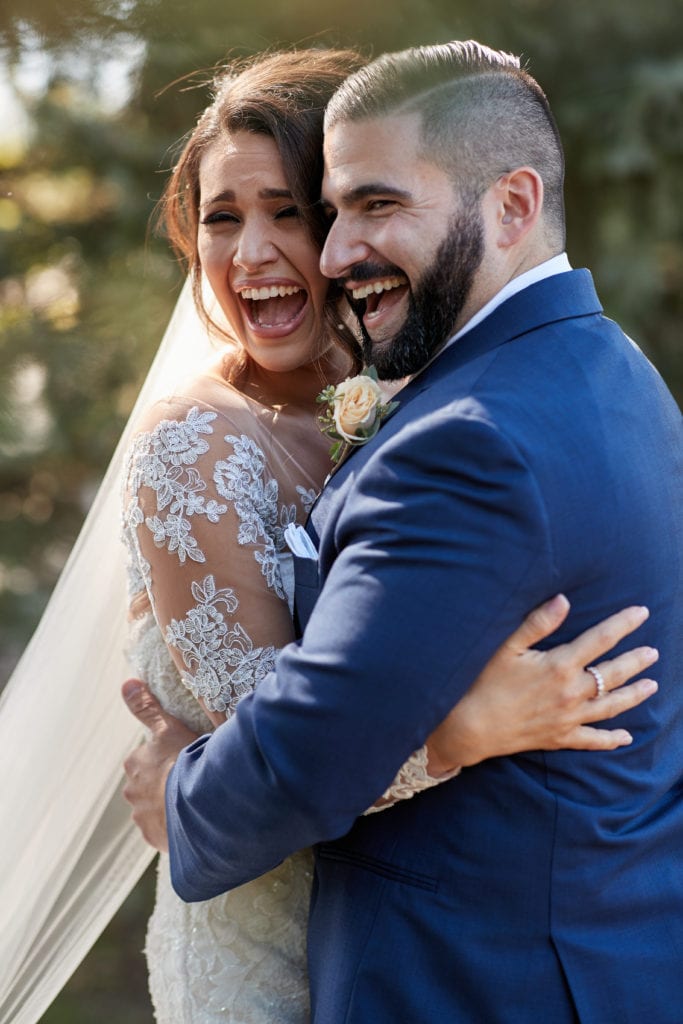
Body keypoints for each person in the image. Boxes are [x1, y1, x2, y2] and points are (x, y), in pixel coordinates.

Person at [121, 41, 680, 1023]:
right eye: (332, 212)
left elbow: (308, 752)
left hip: (469, 982)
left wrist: (177, 793)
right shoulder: (614, 370)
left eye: (370, 206)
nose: (334, 251)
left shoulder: (463, 436)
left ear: (509, 206)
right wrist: (461, 728)